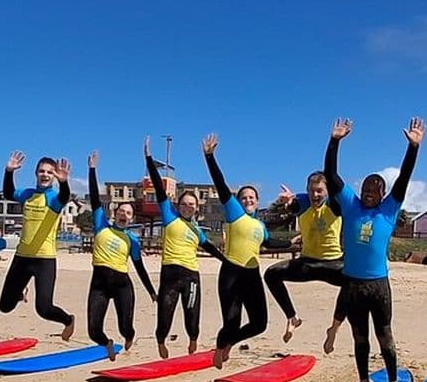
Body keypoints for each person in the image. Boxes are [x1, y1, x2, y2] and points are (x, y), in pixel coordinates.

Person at [323, 117, 424, 382]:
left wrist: (413, 148)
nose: (369, 192)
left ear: (382, 194)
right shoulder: (350, 205)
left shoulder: (389, 210)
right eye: (366, 187)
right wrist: (335, 141)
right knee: (360, 338)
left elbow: (405, 177)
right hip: (352, 284)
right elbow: (330, 174)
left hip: (378, 285)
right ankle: (364, 381)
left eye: (375, 189)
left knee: (385, 337)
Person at [202, 134, 292, 368]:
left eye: (252, 197)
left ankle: (227, 343)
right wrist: (210, 157)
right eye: (244, 197)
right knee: (232, 322)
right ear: (239, 201)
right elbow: (221, 185)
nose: (248, 200)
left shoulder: (260, 225)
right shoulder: (234, 213)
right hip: (232, 273)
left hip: (252, 276)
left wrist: (296, 241)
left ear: (257, 200)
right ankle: (222, 343)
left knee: (260, 323)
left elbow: (271, 243)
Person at [144, 137, 225, 359]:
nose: (188, 207)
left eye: (192, 205)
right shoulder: (170, 217)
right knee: (165, 313)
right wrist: (149, 158)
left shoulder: (197, 230)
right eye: (184, 204)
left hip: (191, 275)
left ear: (196, 208)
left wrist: (228, 262)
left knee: (192, 312)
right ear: (177, 206)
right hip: (170, 273)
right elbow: (159, 189)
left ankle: (193, 339)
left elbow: (210, 248)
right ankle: (161, 341)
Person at [86, 151, 157, 360]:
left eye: (128, 213)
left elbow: (139, 267)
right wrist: (92, 170)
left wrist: (151, 291)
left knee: (125, 326)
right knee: (93, 330)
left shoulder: (132, 240)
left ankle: (129, 335)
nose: (123, 214)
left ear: (132, 218)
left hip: (122, 285)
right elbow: (94, 198)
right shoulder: (101, 226)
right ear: (114, 213)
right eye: (120, 211)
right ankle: (106, 343)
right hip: (98, 283)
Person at [264, 173, 348, 349]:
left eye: (319, 191)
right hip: (307, 262)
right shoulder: (302, 202)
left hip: (332, 263)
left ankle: (334, 328)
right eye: (311, 190)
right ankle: (292, 318)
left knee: (354, 281)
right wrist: (281, 204)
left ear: (327, 191)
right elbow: (272, 220)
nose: (315, 195)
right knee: (271, 274)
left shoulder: (335, 203)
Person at [0, 151, 75, 340]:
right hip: (22, 258)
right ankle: (20, 291)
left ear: (54, 177)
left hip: (44, 260)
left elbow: (64, 197)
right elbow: (8, 193)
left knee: (44, 308)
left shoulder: (54, 198)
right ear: (36, 173)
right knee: (4, 307)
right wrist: (9, 171)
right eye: (42, 171)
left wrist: (64, 182)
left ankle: (68, 320)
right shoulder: (28, 195)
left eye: (50, 172)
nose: (45, 175)